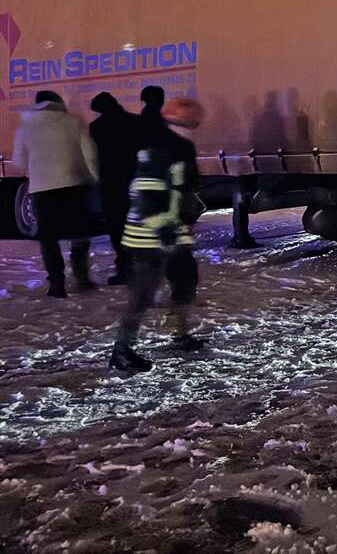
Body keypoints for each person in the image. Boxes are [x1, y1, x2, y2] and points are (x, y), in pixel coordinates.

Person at [110, 97, 206, 372]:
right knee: (143, 293)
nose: (198, 121)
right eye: (193, 116)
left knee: (185, 281)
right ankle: (122, 351)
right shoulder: (165, 145)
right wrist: (162, 227)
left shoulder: (172, 143)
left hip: (170, 231)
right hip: (151, 235)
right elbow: (147, 191)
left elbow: (181, 187)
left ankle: (180, 334)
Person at [11, 91, 99, 297]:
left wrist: (36, 170)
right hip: (73, 184)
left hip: (41, 188)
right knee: (79, 232)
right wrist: (94, 178)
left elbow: (19, 160)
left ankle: (57, 284)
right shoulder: (73, 121)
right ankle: (82, 278)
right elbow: (90, 154)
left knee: (48, 238)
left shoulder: (26, 126)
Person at [89, 93, 141, 285]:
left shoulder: (96, 127)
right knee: (135, 225)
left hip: (110, 183)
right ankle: (140, 266)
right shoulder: (134, 121)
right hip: (133, 179)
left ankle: (124, 268)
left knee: (116, 227)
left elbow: (93, 156)